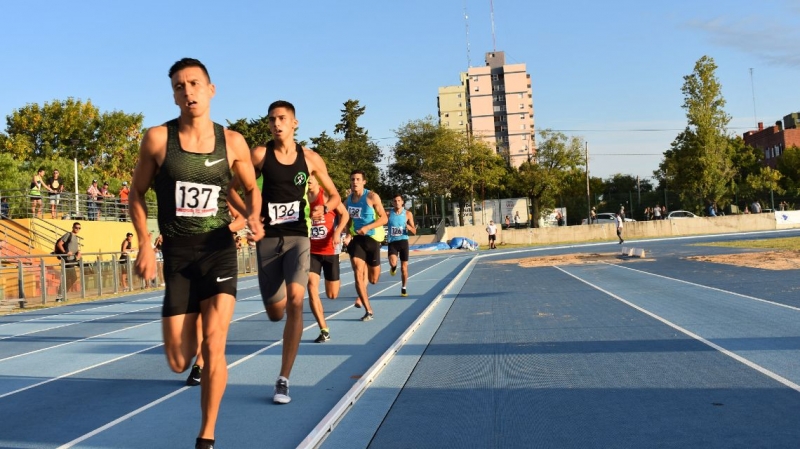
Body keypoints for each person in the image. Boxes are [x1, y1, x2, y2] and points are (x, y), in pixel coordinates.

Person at [128, 58, 264, 449]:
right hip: (178, 255)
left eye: (194, 84)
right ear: (173, 94)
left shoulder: (233, 142)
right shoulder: (157, 139)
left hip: (218, 248)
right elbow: (136, 192)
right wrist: (142, 242)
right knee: (178, 359)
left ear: (211, 89)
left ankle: (206, 435)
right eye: (179, 86)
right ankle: (193, 335)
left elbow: (251, 189)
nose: (187, 91)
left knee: (215, 345)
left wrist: (253, 217)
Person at [229, 100, 340, 405]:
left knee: (295, 301)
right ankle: (275, 309)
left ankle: (283, 379)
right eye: (272, 119)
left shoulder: (311, 159)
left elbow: (334, 195)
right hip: (267, 242)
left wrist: (323, 210)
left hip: (298, 239)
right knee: (276, 312)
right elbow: (231, 191)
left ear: (295, 123)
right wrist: (250, 218)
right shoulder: (259, 155)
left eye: (282, 118)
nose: (276, 124)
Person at [307, 175, 349, 343]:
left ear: (318, 179)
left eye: (311, 177)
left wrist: (338, 232)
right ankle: (324, 329)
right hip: (311, 251)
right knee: (311, 288)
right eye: (306, 177)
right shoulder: (301, 198)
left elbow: (344, 215)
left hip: (330, 250)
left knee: (332, 294)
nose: (308, 180)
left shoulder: (327, 197)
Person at [345, 169, 388, 322]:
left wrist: (368, 227)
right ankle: (368, 310)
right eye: (352, 179)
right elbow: (347, 221)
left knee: (373, 279)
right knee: (358, 272)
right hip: (357, 240)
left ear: (364, 182)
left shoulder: (371, 197)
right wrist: (348, 234)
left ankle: (365, 290)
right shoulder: (348, 201)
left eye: (357, 179)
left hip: (372, 238)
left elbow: (384, 219)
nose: (354, 182)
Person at [387, 194, 416, 297]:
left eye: (399, 200)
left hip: (403, 242)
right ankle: (393, 268)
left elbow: (414, 231)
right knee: (393, 262)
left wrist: (408, 226)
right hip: (392, 242)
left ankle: (403, 288)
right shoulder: (388, 214)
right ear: (392, 203)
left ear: (402, 202)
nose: (397, 202)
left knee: (404, 268)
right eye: (395, 201)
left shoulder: (408, 214)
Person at [55, 222, 82, 302]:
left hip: (72, 259)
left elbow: (73, 248)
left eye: (79, 228)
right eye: (76, 227)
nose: (77, 229)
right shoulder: (68, 235)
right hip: (67, 260)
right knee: (71, 277)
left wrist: (78, 253)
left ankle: (62, 295)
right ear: (73, 227)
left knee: (71, 278)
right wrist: (65, 253)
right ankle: (60, 295)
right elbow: (59, 244)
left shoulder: (75, 237)